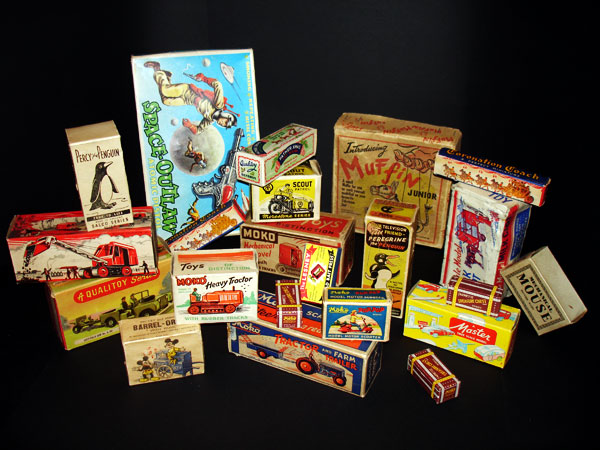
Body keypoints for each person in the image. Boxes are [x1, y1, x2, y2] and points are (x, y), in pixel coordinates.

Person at [143, 61, 238, 134]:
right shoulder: (218, 104)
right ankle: (157, 69)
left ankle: (166, 76)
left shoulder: (210, 120)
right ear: (227, 116)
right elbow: (218, 85)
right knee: (165, 90)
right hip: (187, 90)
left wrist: (190, 125)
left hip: (187, 100)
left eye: (224, 125)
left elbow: (198, 130)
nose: (222, 124)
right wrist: (204, 78)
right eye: (225, 122)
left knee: (166, 101)